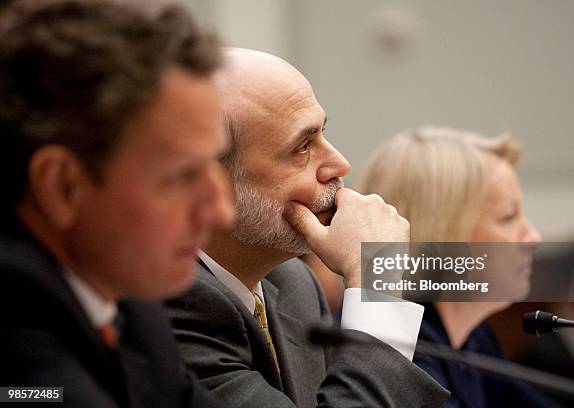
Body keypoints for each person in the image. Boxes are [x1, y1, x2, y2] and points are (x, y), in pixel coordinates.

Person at [166, 49, 449, 408]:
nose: (339, 164)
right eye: (302, 147)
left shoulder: (295, 283)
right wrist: (379, 283)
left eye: (323, 134)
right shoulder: (169, 306)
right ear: (212, 184)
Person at [0, 1, 234, 406]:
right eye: (182, 175)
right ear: (62, 186)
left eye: (216, 163)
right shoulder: (16, 330)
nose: (220, 211)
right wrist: (379, 273)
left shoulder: (129, 299)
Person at [356, 127, 557, 407]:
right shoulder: (398, 350)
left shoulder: (472, 335)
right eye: (508, 217)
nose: (533, 237)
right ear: (442, 234)